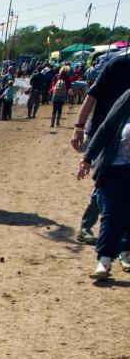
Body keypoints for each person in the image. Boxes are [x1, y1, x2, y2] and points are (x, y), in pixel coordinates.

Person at [77, 83, 130, 280]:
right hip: (117, 166)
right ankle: (105, 260)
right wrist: (87, 158)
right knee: (112, 213)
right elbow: (107, 126)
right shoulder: (128, 96)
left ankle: (126, 251)